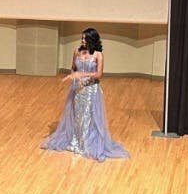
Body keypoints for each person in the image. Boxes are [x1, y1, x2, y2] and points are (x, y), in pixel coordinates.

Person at [42, 27, 128, 161]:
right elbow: (73, 69)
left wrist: (82, 74)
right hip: (77, 89)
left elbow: (99, 75)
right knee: (77, 115)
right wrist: (73, 76)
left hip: (90, 90)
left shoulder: (98, 54)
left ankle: (87, 143)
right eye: (81, 38)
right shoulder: (76, 51)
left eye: (85, 38)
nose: (82, 40)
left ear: (92, 40)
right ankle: (76, 140)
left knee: (89, 116)